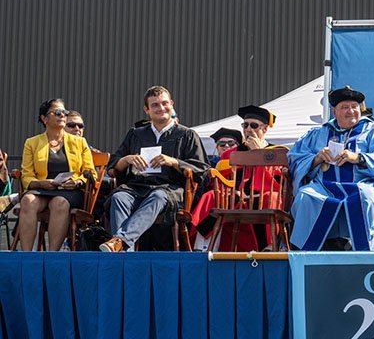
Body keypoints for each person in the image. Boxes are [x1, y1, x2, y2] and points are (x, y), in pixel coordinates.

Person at [100, 86, 209, 252]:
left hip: (169, 189)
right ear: (147, 110)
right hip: (137, 187)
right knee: (119, 197)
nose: (161, 108)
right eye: (155, 105)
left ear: (172, 104)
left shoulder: (187, 135)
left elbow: (202, 169)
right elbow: (113, 167)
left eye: (165, 103)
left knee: (157, 196)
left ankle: (120, 242)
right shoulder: (136, 134)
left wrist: (174, 162)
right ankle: (123, 254)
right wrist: (127, 159)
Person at [289, 86, 374, 251]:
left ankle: (363, 253)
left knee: (365, 197)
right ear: (334, 112)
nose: (351, 111)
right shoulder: (318, 134)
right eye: (345, 107)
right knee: (305, 196)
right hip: (323, 187)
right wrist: (317, 158)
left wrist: (358, 158)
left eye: (354, 106)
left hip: (360, 184)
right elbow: (295, 158)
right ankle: (307, 254)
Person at [191, 106, 285, 251]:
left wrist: (258, 154)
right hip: (235, 195)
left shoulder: (275, 152)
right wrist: (232, 190)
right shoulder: (231, 154)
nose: (248, 129)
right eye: (245, 125)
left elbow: (277, 183)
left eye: (254, 125)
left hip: (261, 195)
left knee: (272, 197)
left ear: (265, 129)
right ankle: (202, 247)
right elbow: (223, 180)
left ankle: (268, 246)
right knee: (211, 196)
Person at [17, 99, 95, 251]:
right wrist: (42, 183)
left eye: (64, 113)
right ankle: (26, 256)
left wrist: (78, 182)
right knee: (27, 200)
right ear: (44, 118)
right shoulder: (31, 143)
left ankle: (53, 255)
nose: (62, 115)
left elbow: (90, 172)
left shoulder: (79, 142)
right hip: (43, 188)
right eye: (57, 112)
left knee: (59, 202)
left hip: (70, 190)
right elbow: (26, 176)